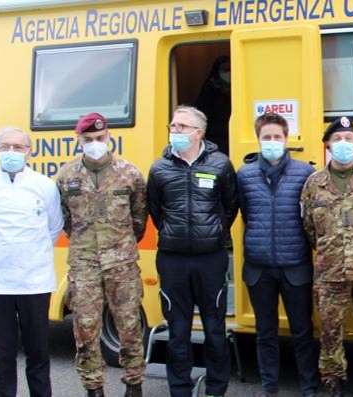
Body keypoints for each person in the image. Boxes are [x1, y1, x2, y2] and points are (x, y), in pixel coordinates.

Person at [0, 127, 62, 397]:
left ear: (29, 151)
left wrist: (28, 252)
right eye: (5, 147)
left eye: (18, 147)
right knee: (2, 356)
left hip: (34, 283)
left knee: (38, 354)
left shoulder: (44, 185)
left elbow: (53, 227)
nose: (11, 152)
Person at [146, 106, 238, 397]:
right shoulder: (159, 168)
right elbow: (155, 210)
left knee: (214, 329)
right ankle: (180, 390)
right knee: (178, 331)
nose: (175, 131)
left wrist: (212, 233)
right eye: (173, 126)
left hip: (210, 259)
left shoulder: (221, 164)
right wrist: (175, 234)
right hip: (172, 260)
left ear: (199, 132)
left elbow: (230, 206)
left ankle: (215, 389)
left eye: (182, 127)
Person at [57, 113, 148, 397]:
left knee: (130, 325)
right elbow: (66, 221)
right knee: (85, 328)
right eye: (88, 140)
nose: (94, 144)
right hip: (84, 264)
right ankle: (93, 387)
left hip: (121, 263)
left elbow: (139, 219)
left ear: (107, 137)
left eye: (99, 138)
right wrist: (88, 245)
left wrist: (118, 246)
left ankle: (134, 383)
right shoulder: (66, 176)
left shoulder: (130, 173)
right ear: (79, 140)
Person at [301, 116, 353, 397]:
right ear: (327, 145)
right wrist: (331, 251)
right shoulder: (313, 183)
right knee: (329, 333)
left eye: (348, 139)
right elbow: (309, 229)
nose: (343, 144)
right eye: (337, 139)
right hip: (329, 273)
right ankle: (333, 384)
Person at [236, 113, 319, 397]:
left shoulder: (304, 173)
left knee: (302, 332)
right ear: (259, 140)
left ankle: (309, 387)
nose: (272, 142)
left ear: (286, 139)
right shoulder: (244, 175)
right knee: (265, 333)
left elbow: (309, 218)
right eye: (266, 137)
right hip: (259, 268)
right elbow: (246, 213)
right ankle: (269, 388)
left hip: (295, 266)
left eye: (277, 137)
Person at [195, 56, 232, 155]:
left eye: (230, 69)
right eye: (225, 70)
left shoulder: (239, 87)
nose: (229, 73)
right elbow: (201, 115)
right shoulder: (209, 89)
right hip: (214, 139)